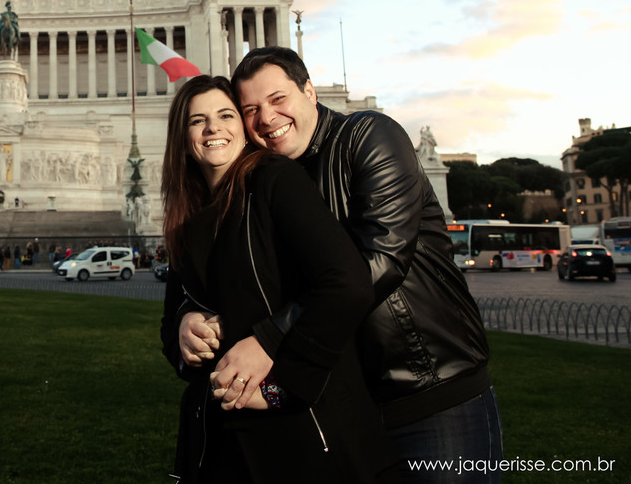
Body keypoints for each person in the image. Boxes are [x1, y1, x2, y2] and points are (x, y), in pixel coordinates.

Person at [217, 46, 500, 481]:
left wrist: (270, 337)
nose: (266, 118)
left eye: (277, 99)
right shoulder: (273, 179)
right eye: (250, 109)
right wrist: (190, 315)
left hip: (432, 389)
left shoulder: (368, 135)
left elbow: (381, 260)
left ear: (309, 92)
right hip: (348, 402)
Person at [160, 75, 396, 482]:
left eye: (226, 115)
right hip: (219, 441)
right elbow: (171, 319)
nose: (213, 128)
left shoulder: (275, 180)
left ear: (243, 128)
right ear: (182, 138)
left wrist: (276, 374)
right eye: (197, 121)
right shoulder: (186, 217)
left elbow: (347, 282)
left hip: (302, 433)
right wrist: (185, 329)